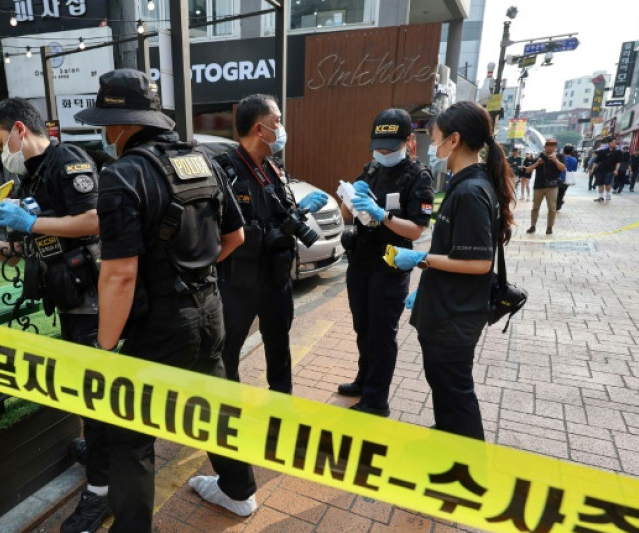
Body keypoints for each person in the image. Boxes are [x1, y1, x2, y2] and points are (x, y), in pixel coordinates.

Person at [74, 69, 257, 532]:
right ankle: (239, 493)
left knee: (130, 435)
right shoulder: (204, 160)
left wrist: (105, 348)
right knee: (214, 405)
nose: (105, 132)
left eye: (106, 123)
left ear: (121, 124)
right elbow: (235, 235)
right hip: (209, 309)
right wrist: (196, 271)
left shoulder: (122, 175)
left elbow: (119, 274)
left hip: (156, 325)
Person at [0, 98, 109, 533]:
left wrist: (30, 226)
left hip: (92, 299)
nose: (1, 153)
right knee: (87, 390)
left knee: (96, 391)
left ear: (18, 130)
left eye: (0, 143)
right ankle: (98, 451)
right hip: (70, 300)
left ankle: (102, 490)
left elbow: (93, 220)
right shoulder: (33, 180)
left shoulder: (67, 159)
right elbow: (21, 249)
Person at [389, 101, 515, 440]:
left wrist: (421, 260)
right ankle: (448, 440)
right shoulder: (464, 185)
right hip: (446, 308)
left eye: (436, 137)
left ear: (455, 139)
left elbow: (479, 263)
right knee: (445, 390)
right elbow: (456, 251)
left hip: (454, 317)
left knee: (457, 396)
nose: (432, 145)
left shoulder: (472, 191)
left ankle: (468, 469)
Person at [212, 95, 328, 394]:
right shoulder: (224, 170)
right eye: (277, 121)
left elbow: (281, 211)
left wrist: (297, 214)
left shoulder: (274, 168)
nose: (281, 128)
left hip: (276, 278)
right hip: (239, 282)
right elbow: (216, 230)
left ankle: (281, 410)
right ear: (259, 128)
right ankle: (229, 414)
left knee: (279, 347)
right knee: (228, 350)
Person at [335, 108, 435, 417]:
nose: (383, 152)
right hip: (361, 262)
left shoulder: (417, 176)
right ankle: (364, 380)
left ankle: (377, 400)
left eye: (390, 147)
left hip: (389, 266)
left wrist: (384, 216)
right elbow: (346, 212)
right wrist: (350, 198)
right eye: (378, 145)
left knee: (381, 333)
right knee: (362, 327)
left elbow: (417, 229)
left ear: (407, 140)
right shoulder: (372, 169)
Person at [523, 138, 565, 235]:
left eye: (552, 145)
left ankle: (549, 227)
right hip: (538, 186)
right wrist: (537, 163)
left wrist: (556, 161)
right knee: (535, 207)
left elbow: (563, 168)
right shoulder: (539, 156)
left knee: (552, 207)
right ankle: (533, 226)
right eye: (548, 145)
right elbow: (528, 170)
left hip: (552, 186)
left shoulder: (559, 156)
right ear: (545, 146)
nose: (550, 147)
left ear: (555, 147)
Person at [591, 138, 621, 202]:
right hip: (600, 170)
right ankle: (600, 197)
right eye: (613, 142)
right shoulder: (602, 151)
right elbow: (596, 161)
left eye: (615, 143)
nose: (614, 144)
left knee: (607, 183)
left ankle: (607, 194)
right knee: (600, 183)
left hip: (610, 170)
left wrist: (616, 170)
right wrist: (592, 169)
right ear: (609, 143)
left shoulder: (618, 152)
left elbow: (618, 162)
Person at [557, 144, 578, 210]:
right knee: (562, 192)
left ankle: (558, 203)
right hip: (567, 179)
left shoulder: (559, 158)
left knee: (555, 192)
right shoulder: (574, 159)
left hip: (557, 177)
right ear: (571, 152)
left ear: (563, 150)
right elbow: (574, 169)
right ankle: (559, 203)